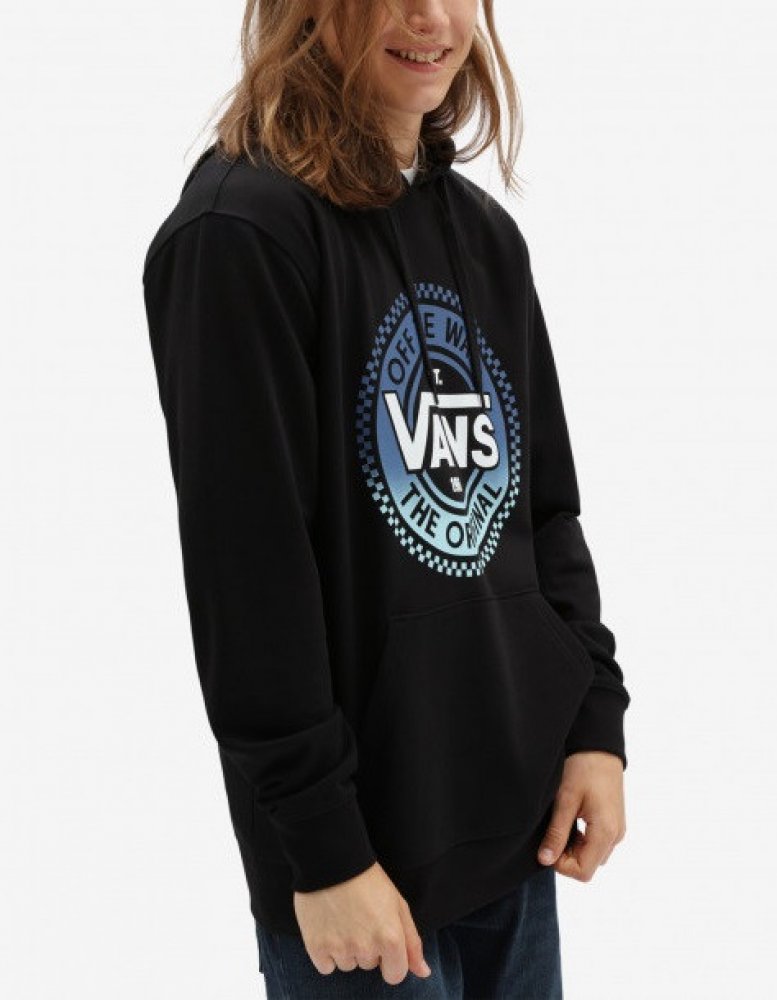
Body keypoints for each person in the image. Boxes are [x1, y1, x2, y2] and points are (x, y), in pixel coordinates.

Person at [141, 0, 630, 996]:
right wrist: (323, 849)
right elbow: (249, 579)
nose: (431, 18)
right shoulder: (240, 233)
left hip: (515, 842)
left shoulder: (485, 236)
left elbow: (543, 509)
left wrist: (592, 723)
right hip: (358, 880)